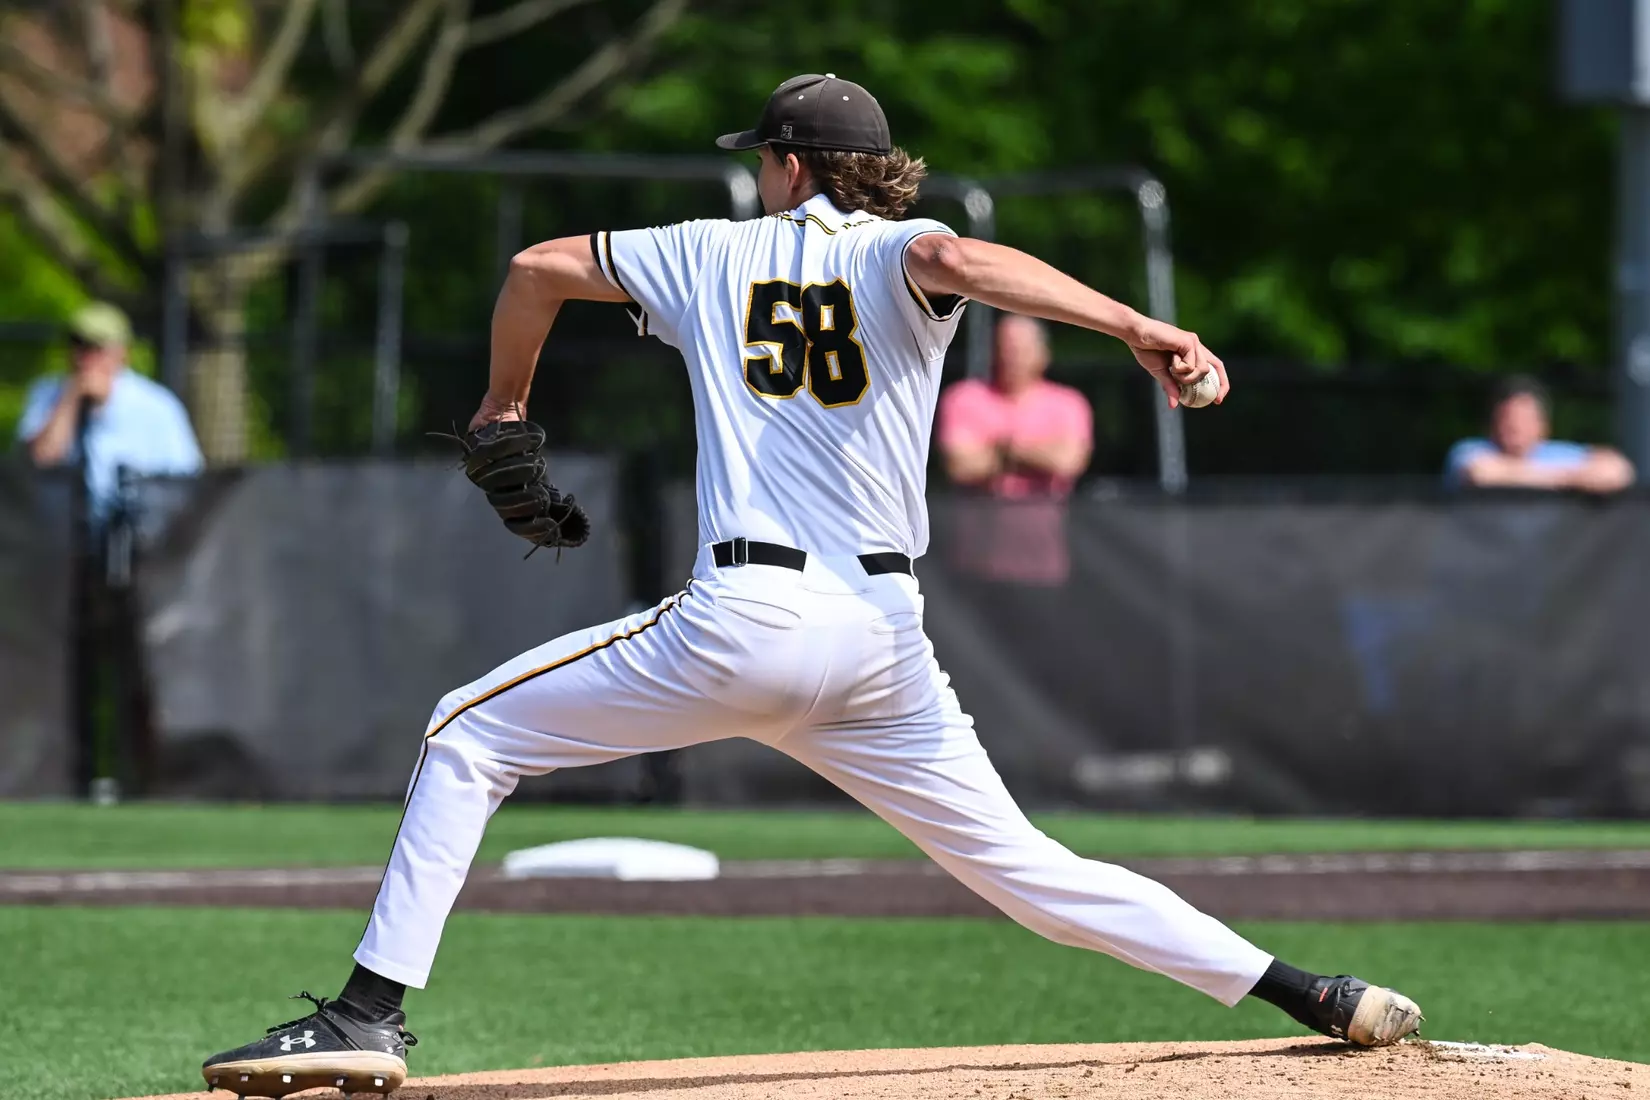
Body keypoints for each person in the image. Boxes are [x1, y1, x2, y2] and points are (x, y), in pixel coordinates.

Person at [201, 74, 1420, 1098]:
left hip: (744, 618)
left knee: (466, 731)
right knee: (1031, 872)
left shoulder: (707, 252)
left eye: (765, 159)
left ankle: (367, 1016)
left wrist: (503, 403)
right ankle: (1313, 991)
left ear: (791, 165)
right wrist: (1134, 325)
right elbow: (955, 255)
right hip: (885, 641)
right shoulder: (904, 252)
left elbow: (534, 267)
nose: (758, 178)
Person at [16, 301, 204, 514]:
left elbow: (186, 480)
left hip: (141, 531)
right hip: (62, 531)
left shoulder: (158, 405)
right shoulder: (47, 394)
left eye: (97, 348)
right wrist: (70, 399)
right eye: (79, 345)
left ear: (122, 352)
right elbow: (40, 460)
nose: (87, 358)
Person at [937, 313, 1093, 497]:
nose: (1011, 358)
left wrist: (1004, 451)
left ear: (1043, 354)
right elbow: (960, 467)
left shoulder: (1069, 403)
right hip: (977, 518)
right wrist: (1039, 454)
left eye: (1021, 350)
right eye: (1005, 348)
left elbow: (1068, 462)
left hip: (1046, 520)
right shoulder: (962, 398)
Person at [1444, 375, 1633, 492]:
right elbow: (1481, 474)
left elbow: (1618, 471)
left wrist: (1558, 478)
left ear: (1543, 427)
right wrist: (1569, 480)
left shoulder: (1554, 454)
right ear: (1493, 424)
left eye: (1525, 420)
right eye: (1508, 419)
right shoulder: (1470, 450)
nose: (1515, 427)